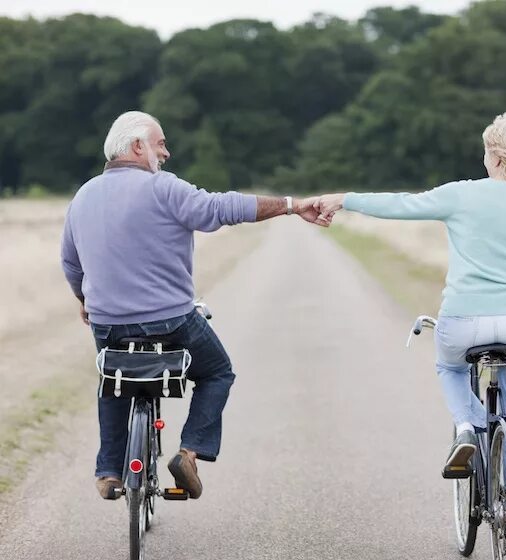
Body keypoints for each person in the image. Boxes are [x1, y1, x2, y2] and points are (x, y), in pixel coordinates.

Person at [314, 112, 506, 556]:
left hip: (462, 322)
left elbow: (401, 205)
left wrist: (342, 198)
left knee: (448, 365)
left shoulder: (461, 195)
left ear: (497, 156)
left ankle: (467, 426)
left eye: (486, 150)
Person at [60, 111, 328, 500]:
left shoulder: (83, 196)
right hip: (169, 321)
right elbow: (223, 208)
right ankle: (189, 451)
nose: (165, 153)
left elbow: (70, 262)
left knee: (114, 380)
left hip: (108, 324)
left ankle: (107, 471)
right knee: (218, 372)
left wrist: (84, 299)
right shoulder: (163, 189)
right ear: (137, 147)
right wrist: (289, 204)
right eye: (160, 143)